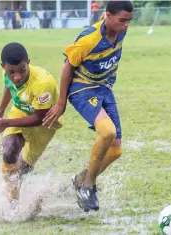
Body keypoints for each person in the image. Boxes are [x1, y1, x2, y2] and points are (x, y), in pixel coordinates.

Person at [43, 1, 133, 212]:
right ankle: (88, 186)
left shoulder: (119, 31)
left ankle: (80, 179)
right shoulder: (88, 39)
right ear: (107, 16)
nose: (126, 25)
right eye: (122, 20)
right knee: (107, 132)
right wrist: (61, 103)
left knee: (115, 151)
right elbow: (67, 67)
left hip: (104, 89)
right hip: (82, 90)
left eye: (130, 21)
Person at [0, 42, 62, 204]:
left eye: (22, 70)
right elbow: (9, 85)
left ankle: (22, 188)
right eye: (11, 71)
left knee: (23, 169)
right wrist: (0, 111)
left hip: (45, 124)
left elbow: (38, 118)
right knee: (9, 150)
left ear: (28, 63)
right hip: (20, 111)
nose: (17, 76)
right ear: (3, 67)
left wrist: (6, 122)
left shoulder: (43, 83)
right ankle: (13, 203)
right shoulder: (8, 72)